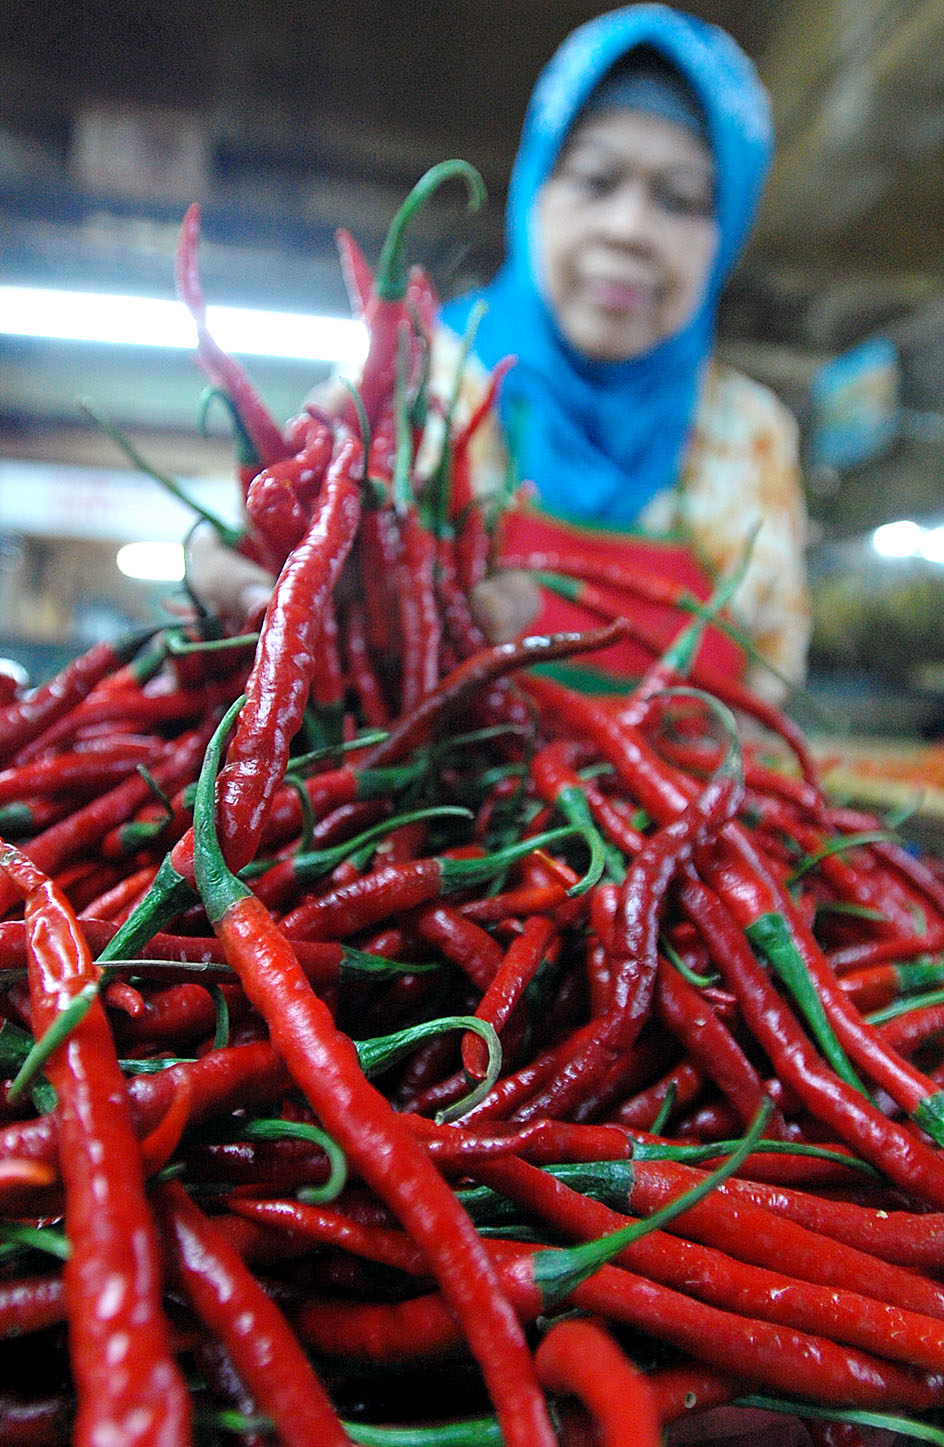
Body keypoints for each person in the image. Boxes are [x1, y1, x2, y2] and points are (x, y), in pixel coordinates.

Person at [430, 3, 811, 701]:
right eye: (596, 180)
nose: (630, 229)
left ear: (725, 234)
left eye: (680, 200)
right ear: (536, 188)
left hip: (687, 812)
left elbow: (768, 698)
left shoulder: (752, 436)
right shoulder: (425, 379)